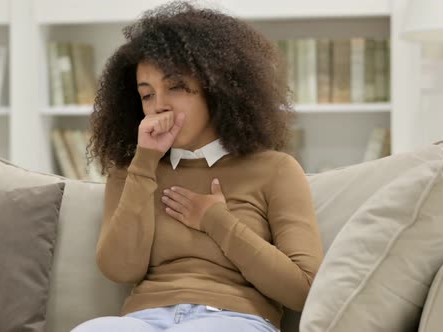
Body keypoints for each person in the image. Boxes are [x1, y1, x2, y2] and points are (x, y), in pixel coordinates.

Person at [72, 1, 323, 331]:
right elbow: (121, 269)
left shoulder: (276, 170)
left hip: (235, 318)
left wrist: (216, 221)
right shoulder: (133, 173)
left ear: (217, 88)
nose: (159, 105)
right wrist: (144, 163)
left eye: (176, 87)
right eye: (146, 95)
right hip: (144, 318)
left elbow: (304, 289)